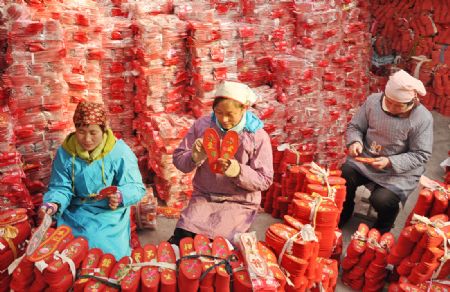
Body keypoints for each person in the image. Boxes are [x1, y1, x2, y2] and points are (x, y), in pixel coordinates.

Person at [169, 81, 274, 244]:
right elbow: (178, 160)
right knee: (184, 237)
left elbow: (265, 179)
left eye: (229, 114)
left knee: (219, 247)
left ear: (244, 108)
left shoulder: (257, 136)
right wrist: (194, 157)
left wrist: (238, 171)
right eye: (218, 112)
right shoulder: (202, 126)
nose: (224, 119)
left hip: (239, 201)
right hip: (205, 196)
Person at [39, 101, 146, 259]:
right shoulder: (65, 152)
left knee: (102, 251)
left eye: (93, 132)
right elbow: (61, 187)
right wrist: (54, 204)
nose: (87, 139)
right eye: (81, 131)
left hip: (108, 212)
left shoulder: (119, 151)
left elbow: (136, 186)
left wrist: (120, 195)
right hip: (76, 210)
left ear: (103, 130)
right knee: (65, 253)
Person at [338, 70, 433, 233]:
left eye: (399, 106)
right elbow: (355, 127)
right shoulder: (373, 101)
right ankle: (345, 210)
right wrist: (355, 141)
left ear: (413, 101)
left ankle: (383, 226)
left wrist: (390, 162)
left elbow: (421, 154)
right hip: (367, 159)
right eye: (389, 103)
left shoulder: (422, 118)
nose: (393, 108)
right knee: (344, 174)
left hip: (399, 172)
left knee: (382, 200)